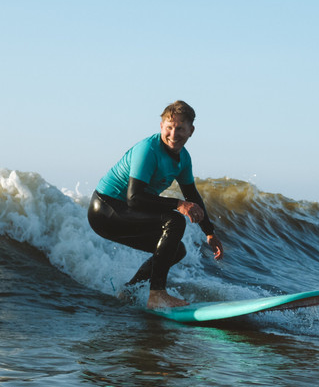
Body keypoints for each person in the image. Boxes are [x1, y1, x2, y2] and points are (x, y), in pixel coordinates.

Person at [88, 100, 223, 311]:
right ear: (161, 126)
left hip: (126, 211)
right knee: (175, 220)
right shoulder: (148, 150)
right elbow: (135, 198)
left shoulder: (183, 159)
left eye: (180, 128)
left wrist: (209, 232)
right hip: (106, 210)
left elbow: (192, 195)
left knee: (176, 250)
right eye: (169, 127)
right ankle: (157, 295)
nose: (173, 134)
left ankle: (128, 292)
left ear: (191, 131)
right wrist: (179, 204)